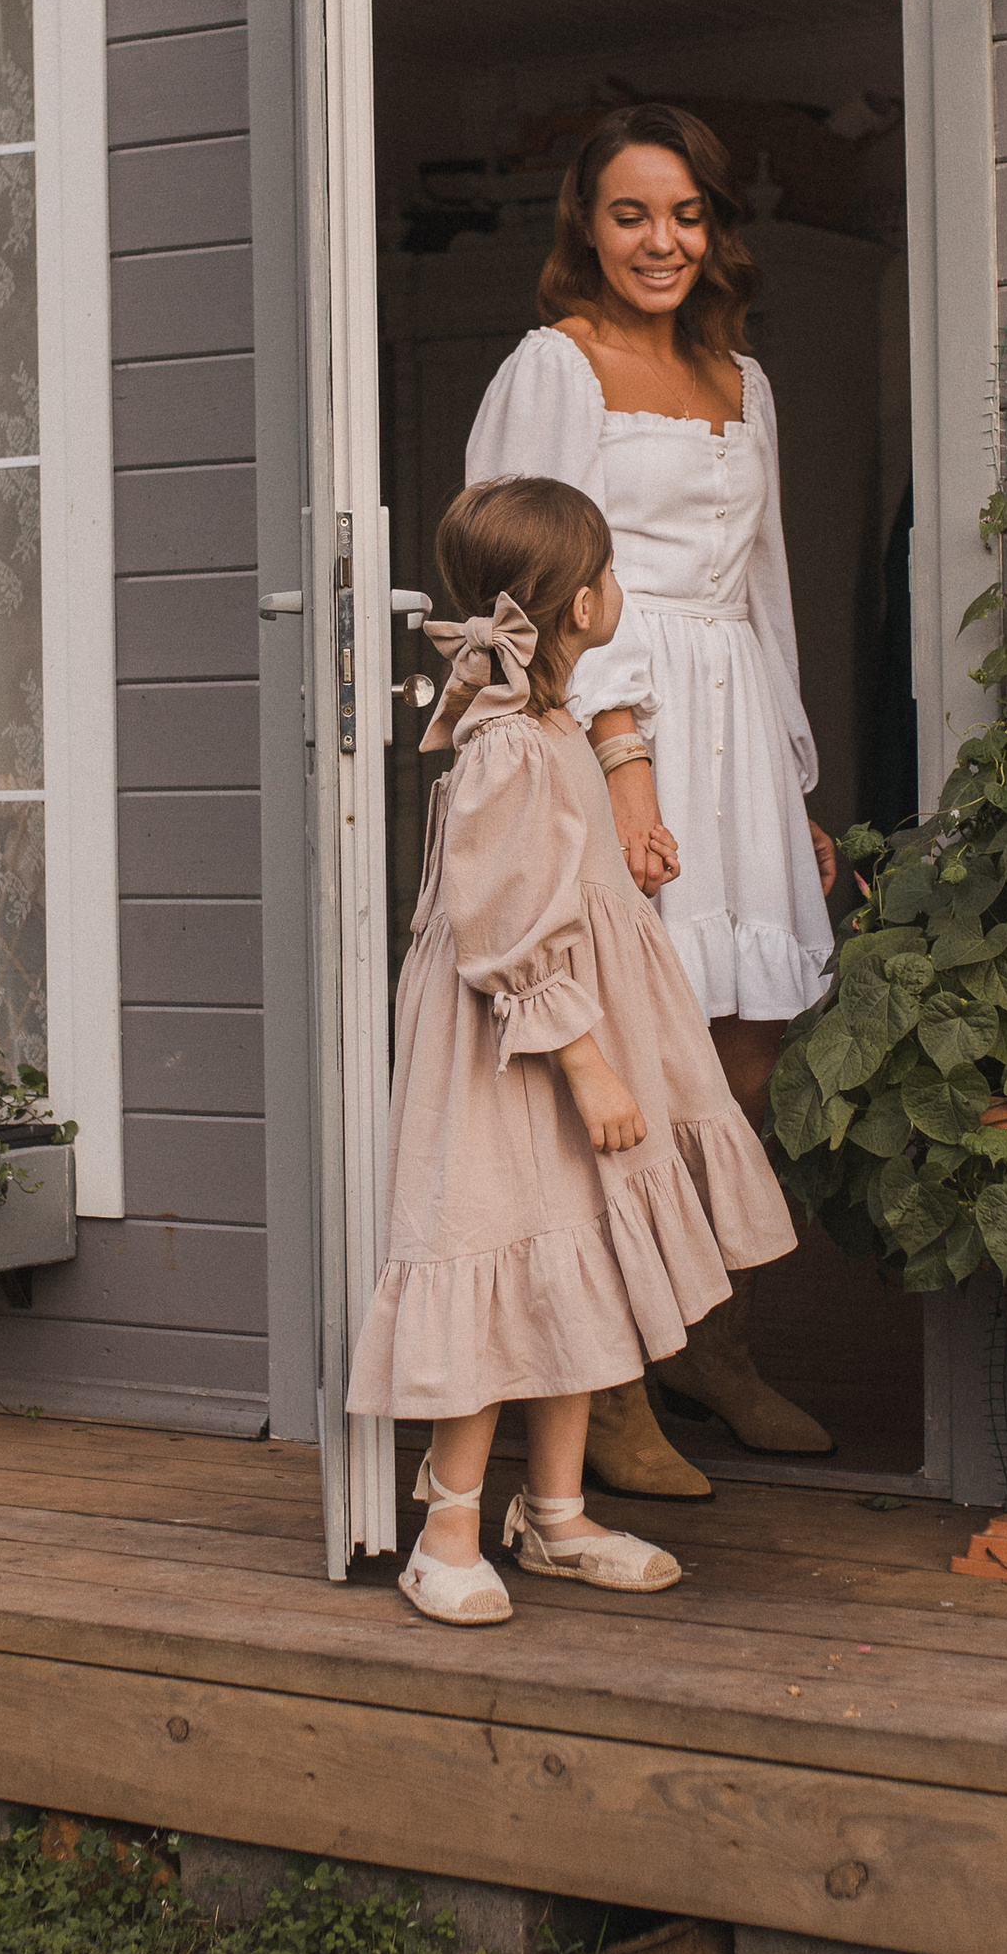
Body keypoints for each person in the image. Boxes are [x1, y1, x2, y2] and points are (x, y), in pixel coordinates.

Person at [464, 99, 836, 1495]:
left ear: (715, 228)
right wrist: (614, 752)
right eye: (631, 214)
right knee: (628, 1058)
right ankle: (608, 1389)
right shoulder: (554, 365)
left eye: (684, 214)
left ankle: (707, 1347)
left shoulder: (748, 379)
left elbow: (766, 592)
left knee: (739, 1066)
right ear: (589, 226)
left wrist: (795, 782)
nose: (660, 241)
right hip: (619, 721)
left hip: (735, 722)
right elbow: (526, 570)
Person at [349, 474, 797, 1626]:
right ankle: (447, 1521)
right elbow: (503, 934)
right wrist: (590, 1066)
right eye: (606, 572)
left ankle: (554, 1515)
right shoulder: (505, 748)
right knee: (502, 1265)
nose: (614, 591)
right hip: (525, 1057)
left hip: (575, 1038)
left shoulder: (550, 727)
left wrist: (625, 854)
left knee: (578, 1271)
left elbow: (560, 883)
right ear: (581, 602)